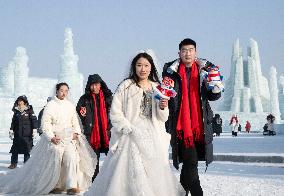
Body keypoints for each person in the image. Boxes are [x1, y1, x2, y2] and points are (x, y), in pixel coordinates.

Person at [84, 52, 185, 196]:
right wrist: (127, 128)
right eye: (139, 65)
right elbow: (115, 112)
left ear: (151, 68)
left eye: (146, 65)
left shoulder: (157, 87)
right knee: (128, 171)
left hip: (152, 134)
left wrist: (163, 106)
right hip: (129, 133)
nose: (142, 69)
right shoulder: (126, 86)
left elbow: (162, 118)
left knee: (153, 173)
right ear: (134, 67)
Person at [0, 83, 96, 195]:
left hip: (69, 138)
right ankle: (55, 185)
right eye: (61, 90)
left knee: (71, 158)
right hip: (55, 138)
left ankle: (71, 186)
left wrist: (76, 133)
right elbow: (45, 124)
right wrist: (51, 137)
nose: (63, 93)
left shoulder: (69, 105)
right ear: (57, 91)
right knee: (56, 160)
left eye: (66, 90)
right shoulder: (51, 105)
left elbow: (75, 122)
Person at [162, 38, 222, 196]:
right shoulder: (171, 72)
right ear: (179, 53)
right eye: (184, 50)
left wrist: (216, 90)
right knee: (191, 161)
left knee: (189, 166)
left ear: (196, 53)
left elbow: (211, 96)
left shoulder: (205, 70)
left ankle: (179, 194)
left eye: (190, 50)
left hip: (199, 125)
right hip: (181, 126)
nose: (187, 53)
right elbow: (166, 94)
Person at [76, 74, 113, 181]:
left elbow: (116, 113)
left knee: (111, 158)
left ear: (101, 85)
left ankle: (111, 180)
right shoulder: (84, 99)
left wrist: (111, 126)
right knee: (93, 160)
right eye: (92, 85)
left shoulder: (108, 97)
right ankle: (95, 182)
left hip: (107, 133)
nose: (94, 88)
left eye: (96, 85)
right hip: (92, 134)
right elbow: (78, 116)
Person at [8, 95, 38, 169]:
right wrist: (11, 130)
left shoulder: (29, 110)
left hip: (27, 135)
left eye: (21, 101)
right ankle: (13, 164)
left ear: (24, 102)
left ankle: (26, 165)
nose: (20, 102)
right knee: (15, 149)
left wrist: (34, 130)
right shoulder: (16, 111)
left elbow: (34, 120)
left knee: (27, 150)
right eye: (18, 100)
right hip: (18, 134)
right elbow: (13, 122)